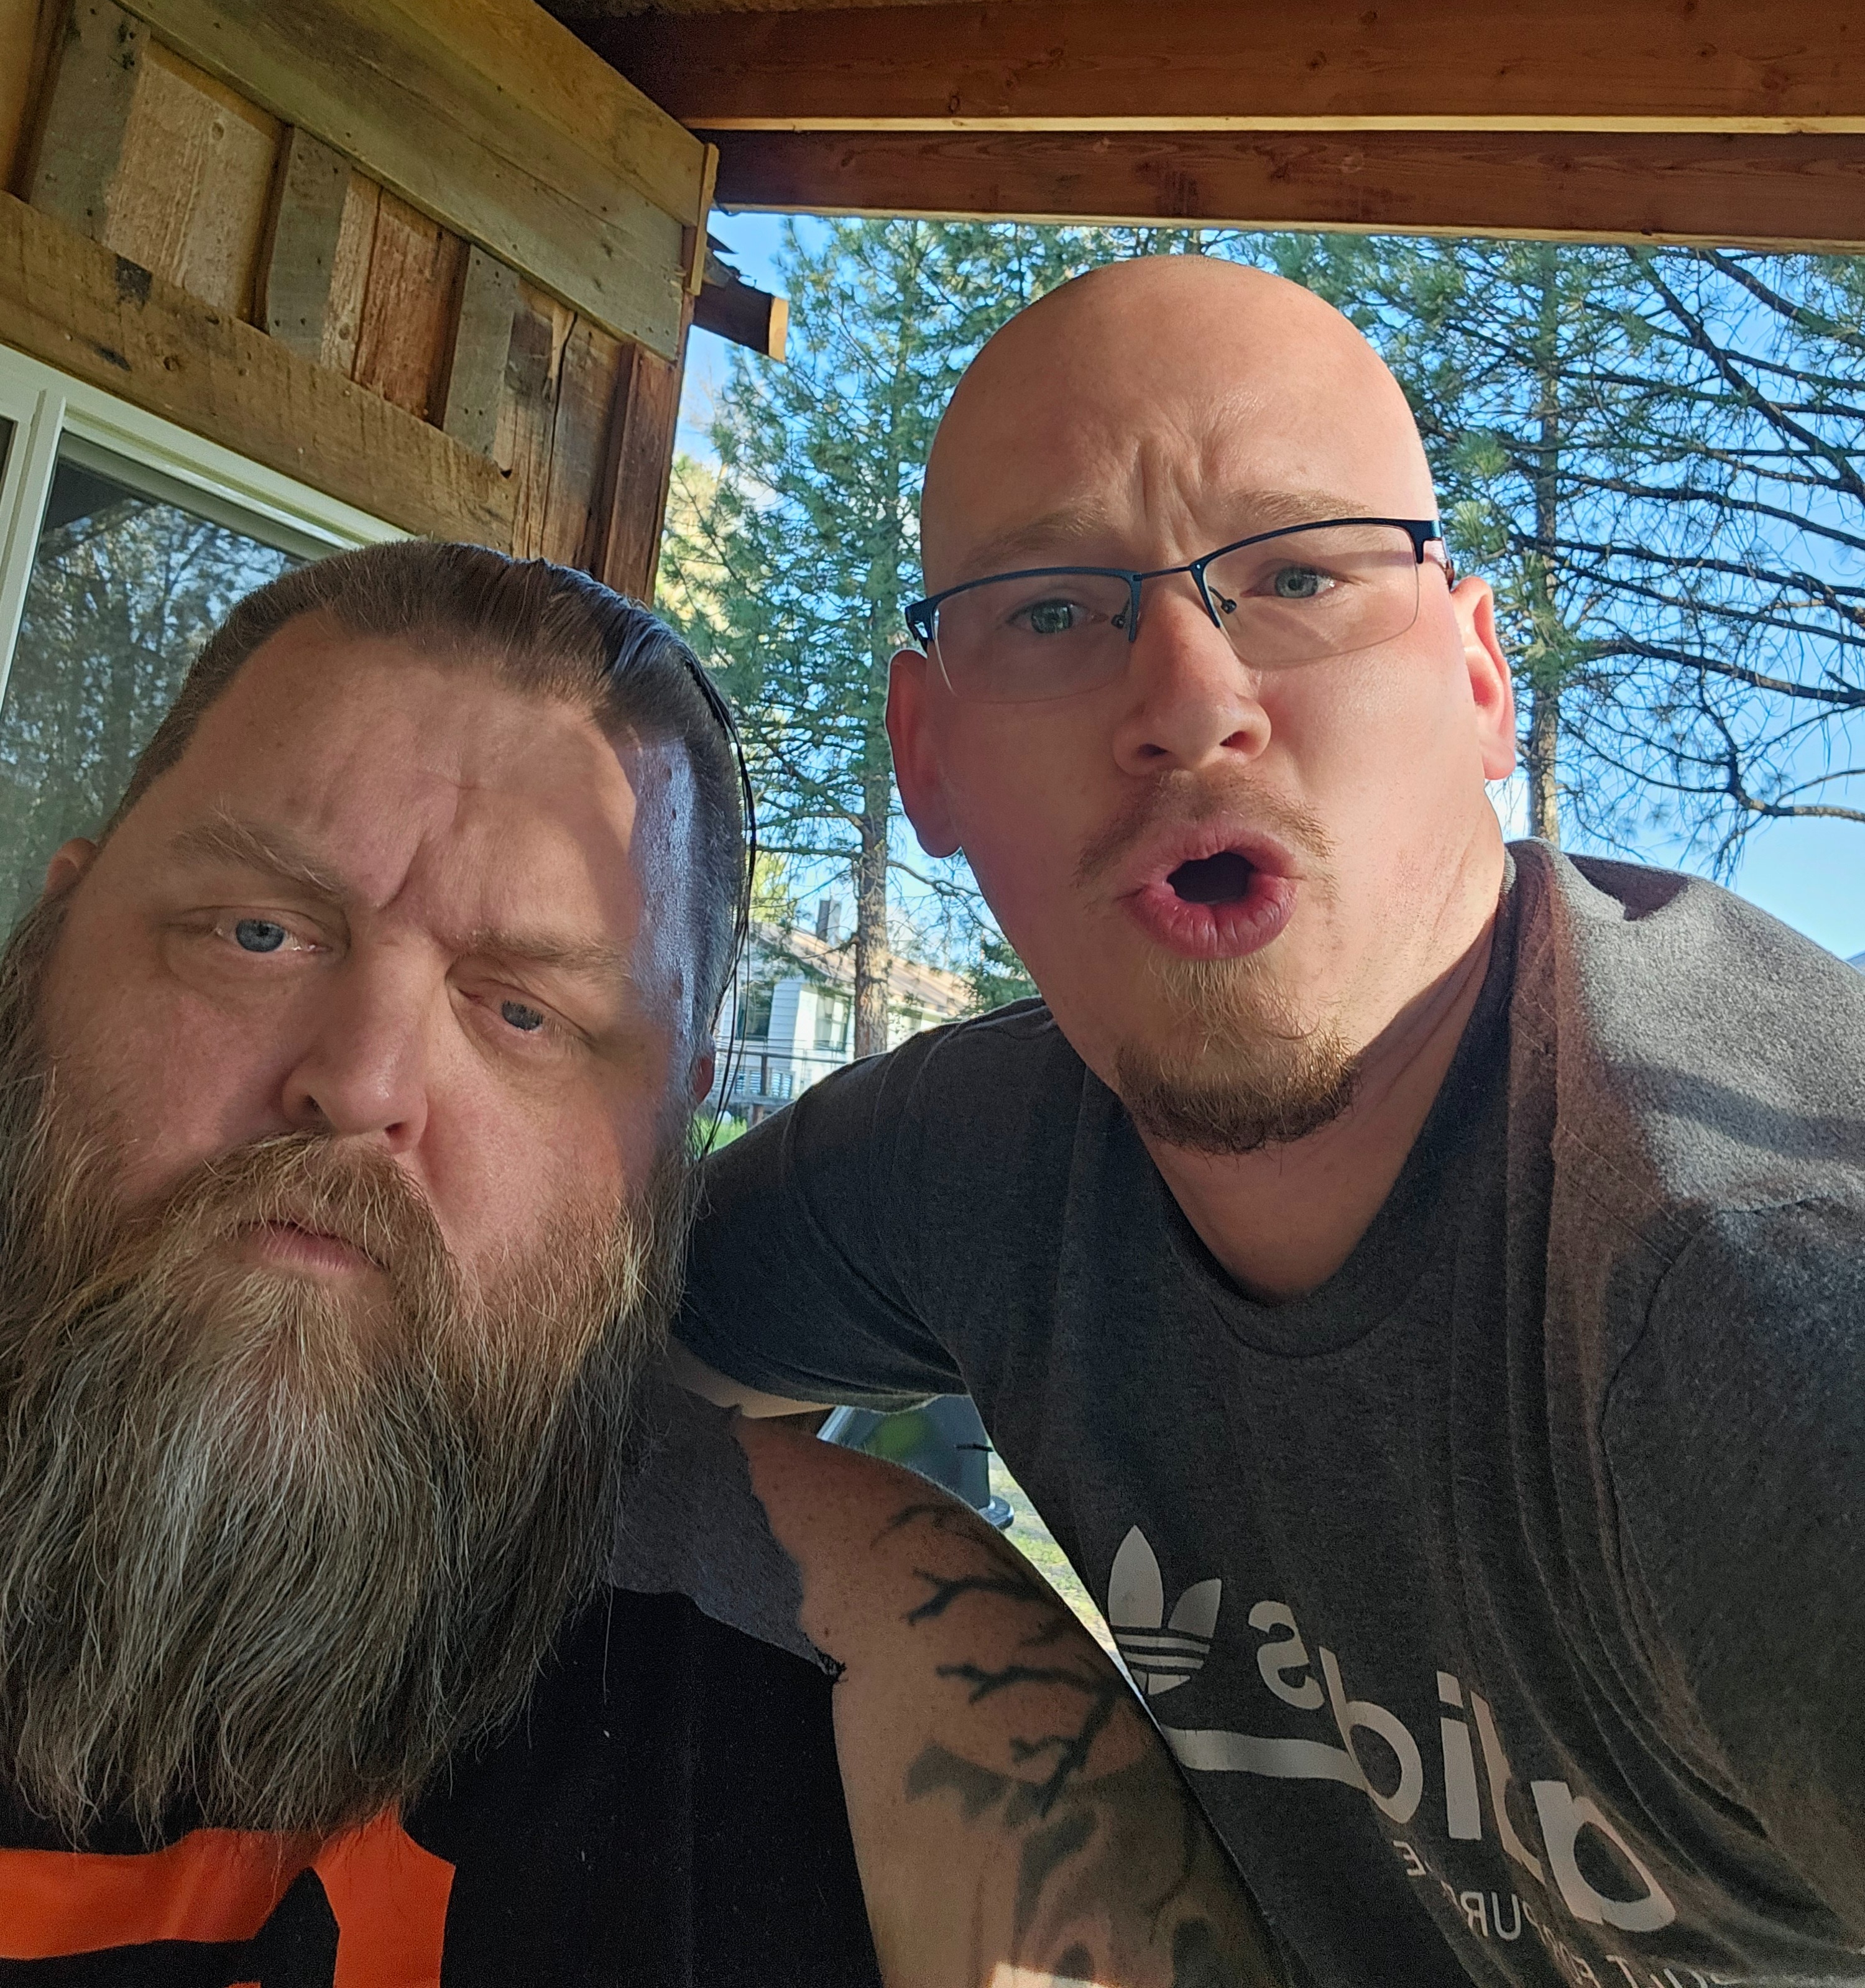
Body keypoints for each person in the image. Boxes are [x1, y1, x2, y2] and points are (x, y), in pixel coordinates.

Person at [671, 255, 1865, 1988]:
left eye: (1301, 573)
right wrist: (892, 1588)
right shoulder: (977, 1167)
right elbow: (542, 1388)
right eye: (1053, 612)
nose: (1189, 700)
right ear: (926, 757)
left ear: (1480, 683)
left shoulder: (1754, 1307)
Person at [0, 539, 1278, 1987]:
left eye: (524, 1012)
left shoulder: (875, 1681)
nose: (360, 1079)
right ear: (49, 945)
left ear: (670, 1137)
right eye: (257, 932)